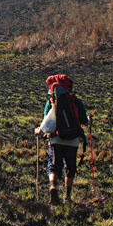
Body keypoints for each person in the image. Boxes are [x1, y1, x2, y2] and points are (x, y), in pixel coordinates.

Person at [35, 74, 89, 204]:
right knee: (70, 168)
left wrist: (39, 130)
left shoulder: (51, 102)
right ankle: (68, 196)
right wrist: (88, 121)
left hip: (56, 139)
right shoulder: (76, 102)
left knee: (53, 166)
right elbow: (84, 120)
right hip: (73, 140)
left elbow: (47, 121)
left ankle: (53, 186)